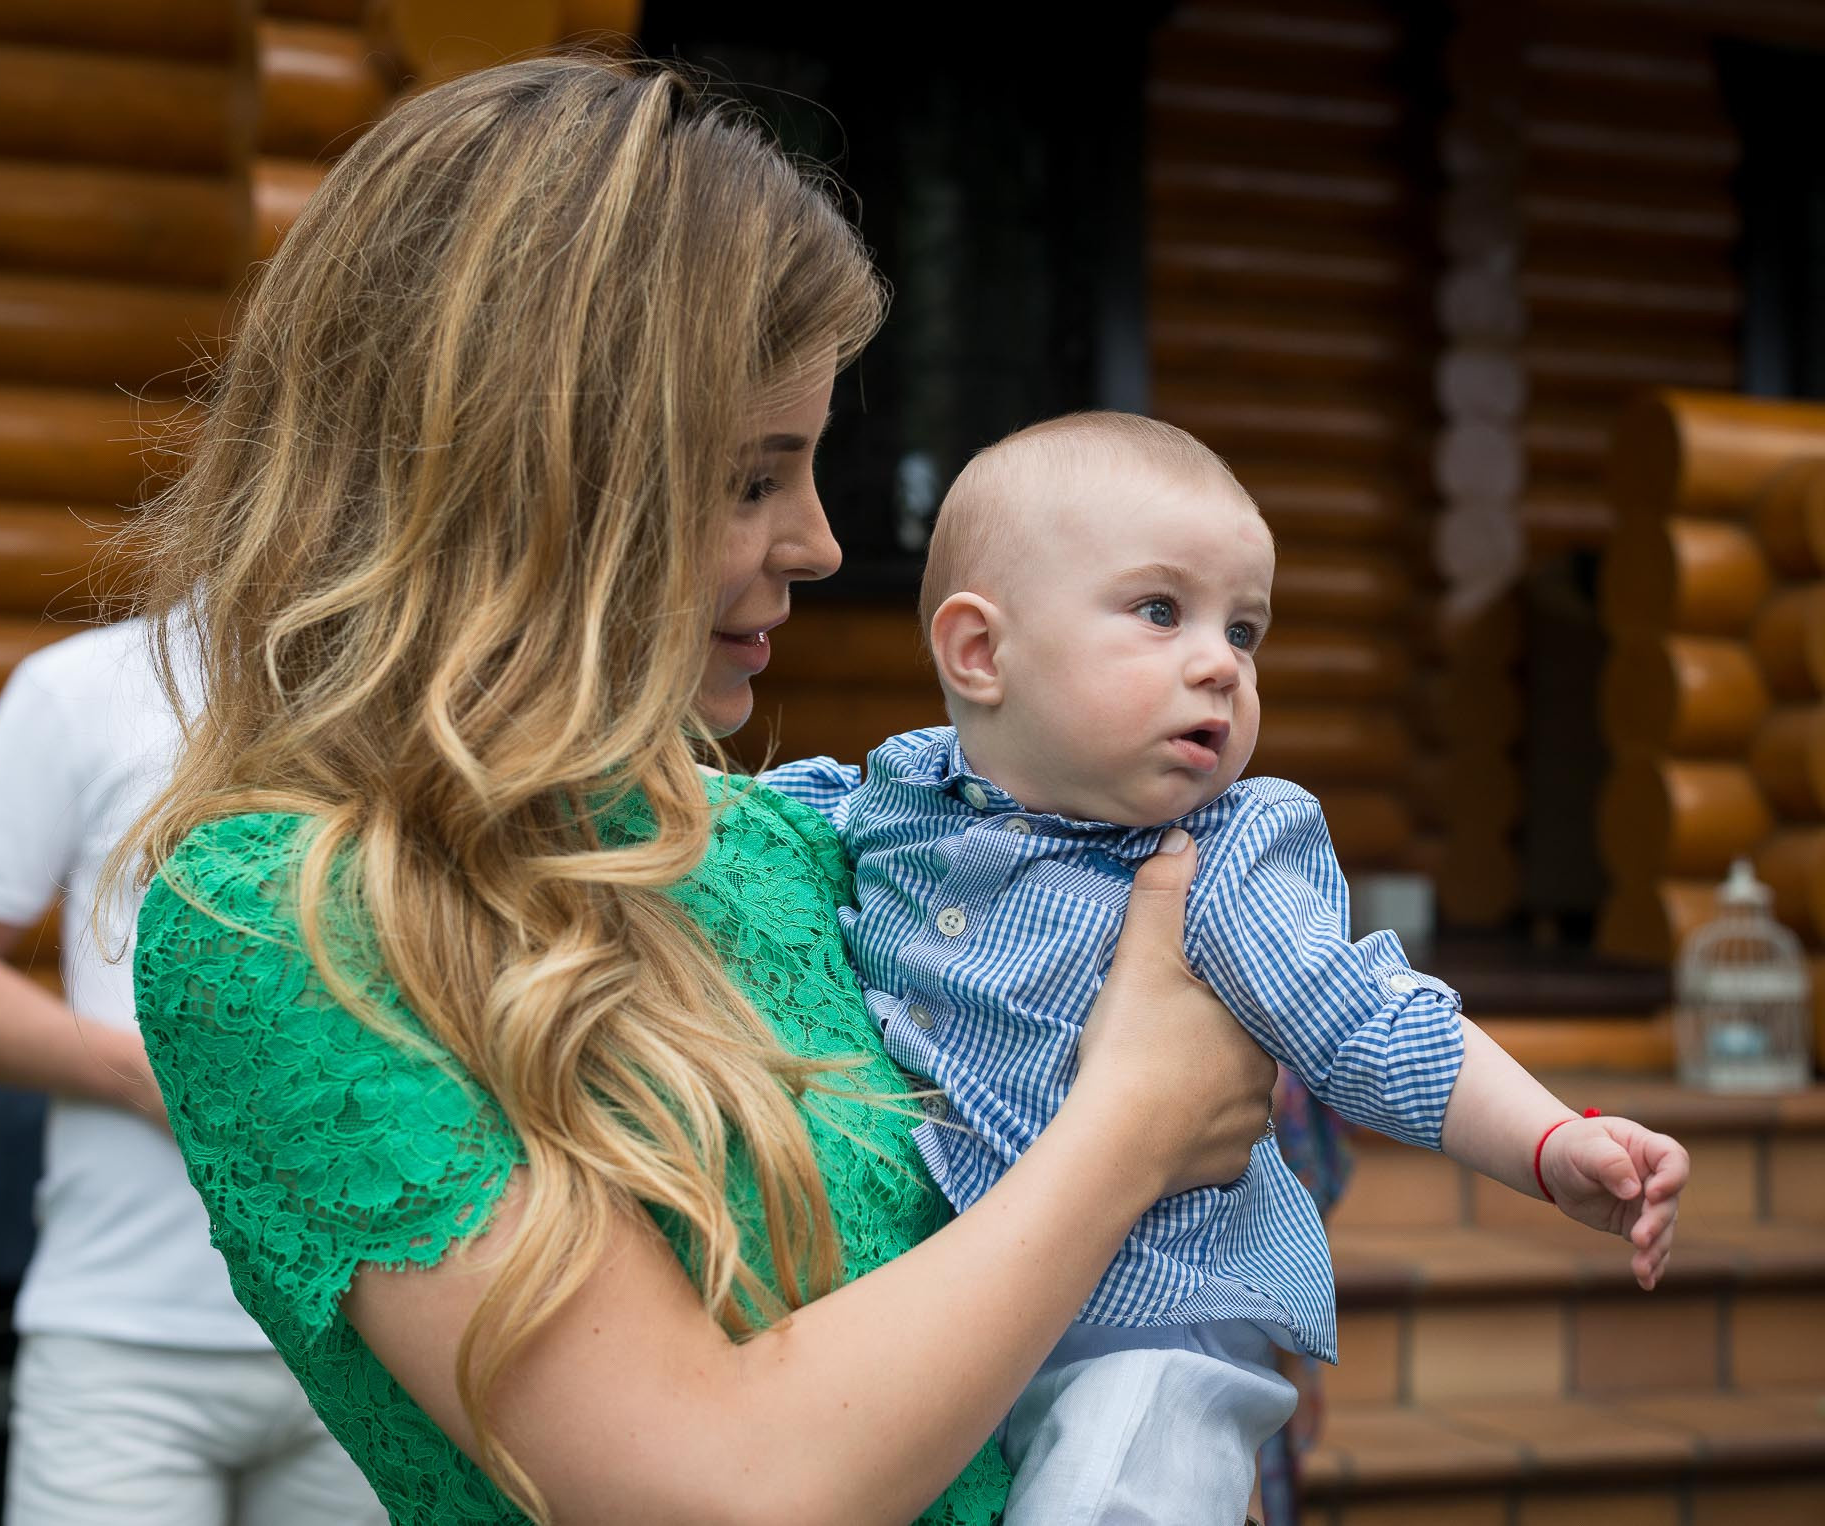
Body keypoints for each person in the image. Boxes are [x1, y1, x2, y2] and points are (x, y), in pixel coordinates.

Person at [115, 55, 1279, 1526]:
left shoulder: (793, 842)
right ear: (531, 479)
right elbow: (716, 1492)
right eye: (751, 477)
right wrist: (1138, 1119)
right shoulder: (276, 919)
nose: (819, 541)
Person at [759, 411, 1693, 1525]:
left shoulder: (1223, 857)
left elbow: (1369, 1017)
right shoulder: (898, 793)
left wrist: (1546, 1139)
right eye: (1161, 611)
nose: (1219, 663)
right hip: (957, 1299)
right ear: (979, 653)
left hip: (1153, 1325)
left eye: (1243, 629)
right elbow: (754, 819)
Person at [0, 610, 387, 1524]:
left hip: (380, 1333)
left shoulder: (431, 679)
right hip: (125, 1338)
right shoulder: (79, 686)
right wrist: (157, 1082)